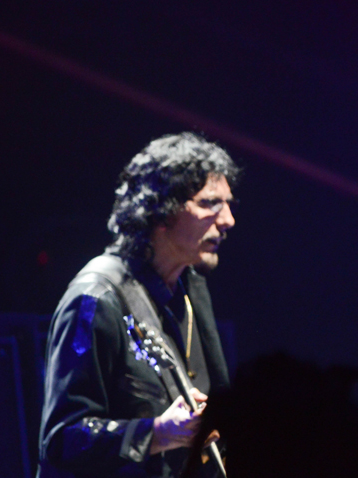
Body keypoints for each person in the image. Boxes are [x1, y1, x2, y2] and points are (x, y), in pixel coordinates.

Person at [38, 132, 241, 478]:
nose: (227, 221)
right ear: (161, 210)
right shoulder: (95, 298)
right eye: (209, 204)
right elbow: (60, 441)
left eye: (228, 204)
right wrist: (158, 432)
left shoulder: (192, 287)